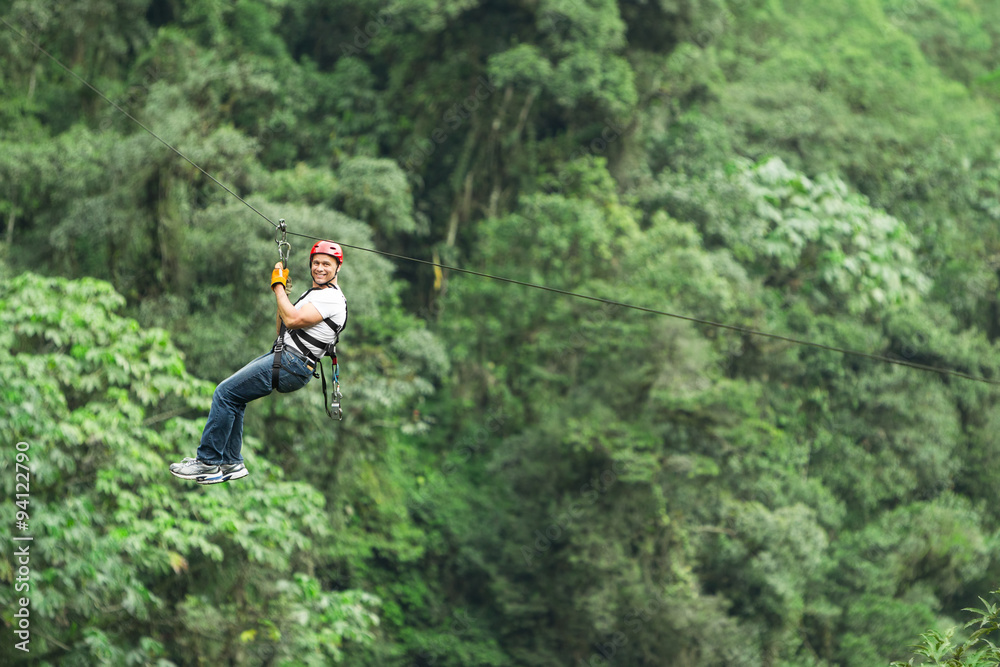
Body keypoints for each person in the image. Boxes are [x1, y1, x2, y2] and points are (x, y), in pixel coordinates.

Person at [169, 241, 348, 484]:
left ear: (338, 267)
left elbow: (294, 319)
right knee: (235, 397)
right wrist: (283, 292)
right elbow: (282, 328)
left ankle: (208, 462)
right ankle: (231, 462)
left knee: (224, 393)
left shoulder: (331, 298)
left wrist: (277, 286)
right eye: (316, 263)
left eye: (326, 264)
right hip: (286, 358)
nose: (319, 268)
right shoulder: (315, 295)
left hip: (291, 362)